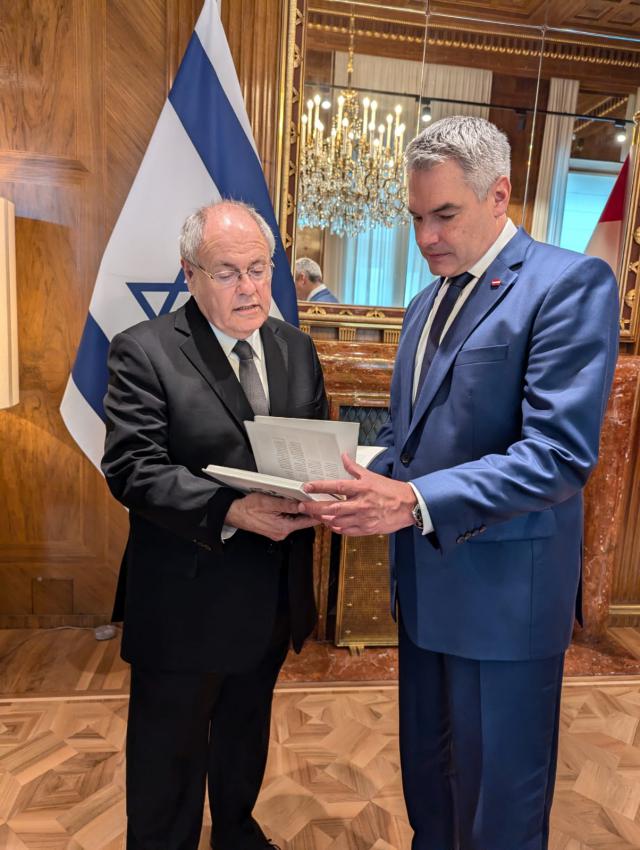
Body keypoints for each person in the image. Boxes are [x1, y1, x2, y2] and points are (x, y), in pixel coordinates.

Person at [300, 116, 619, 850]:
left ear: (498, 195)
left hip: (506, 601)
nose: (426, 238)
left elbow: (559, 455)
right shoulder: (424, 304)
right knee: (433, 791)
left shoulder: (568, 285)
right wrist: (362, 473)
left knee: (498, 810)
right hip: (426, 588)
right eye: (416, 218)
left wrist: (411, 501)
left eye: (444, 214)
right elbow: (421, 441)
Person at [102, 199, 327, 850]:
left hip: (271, 592)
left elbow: (309, 448)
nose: (250, 287)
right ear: (189, 273)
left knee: (243, 738)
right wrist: (230, 508)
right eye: (228, 271)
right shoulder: (143, 351)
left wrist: (329, 494)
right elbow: (131, 469)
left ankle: (235, 831)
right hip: (184, 599)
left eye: (259, 268)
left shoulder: (296, 349)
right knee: (166, 764)